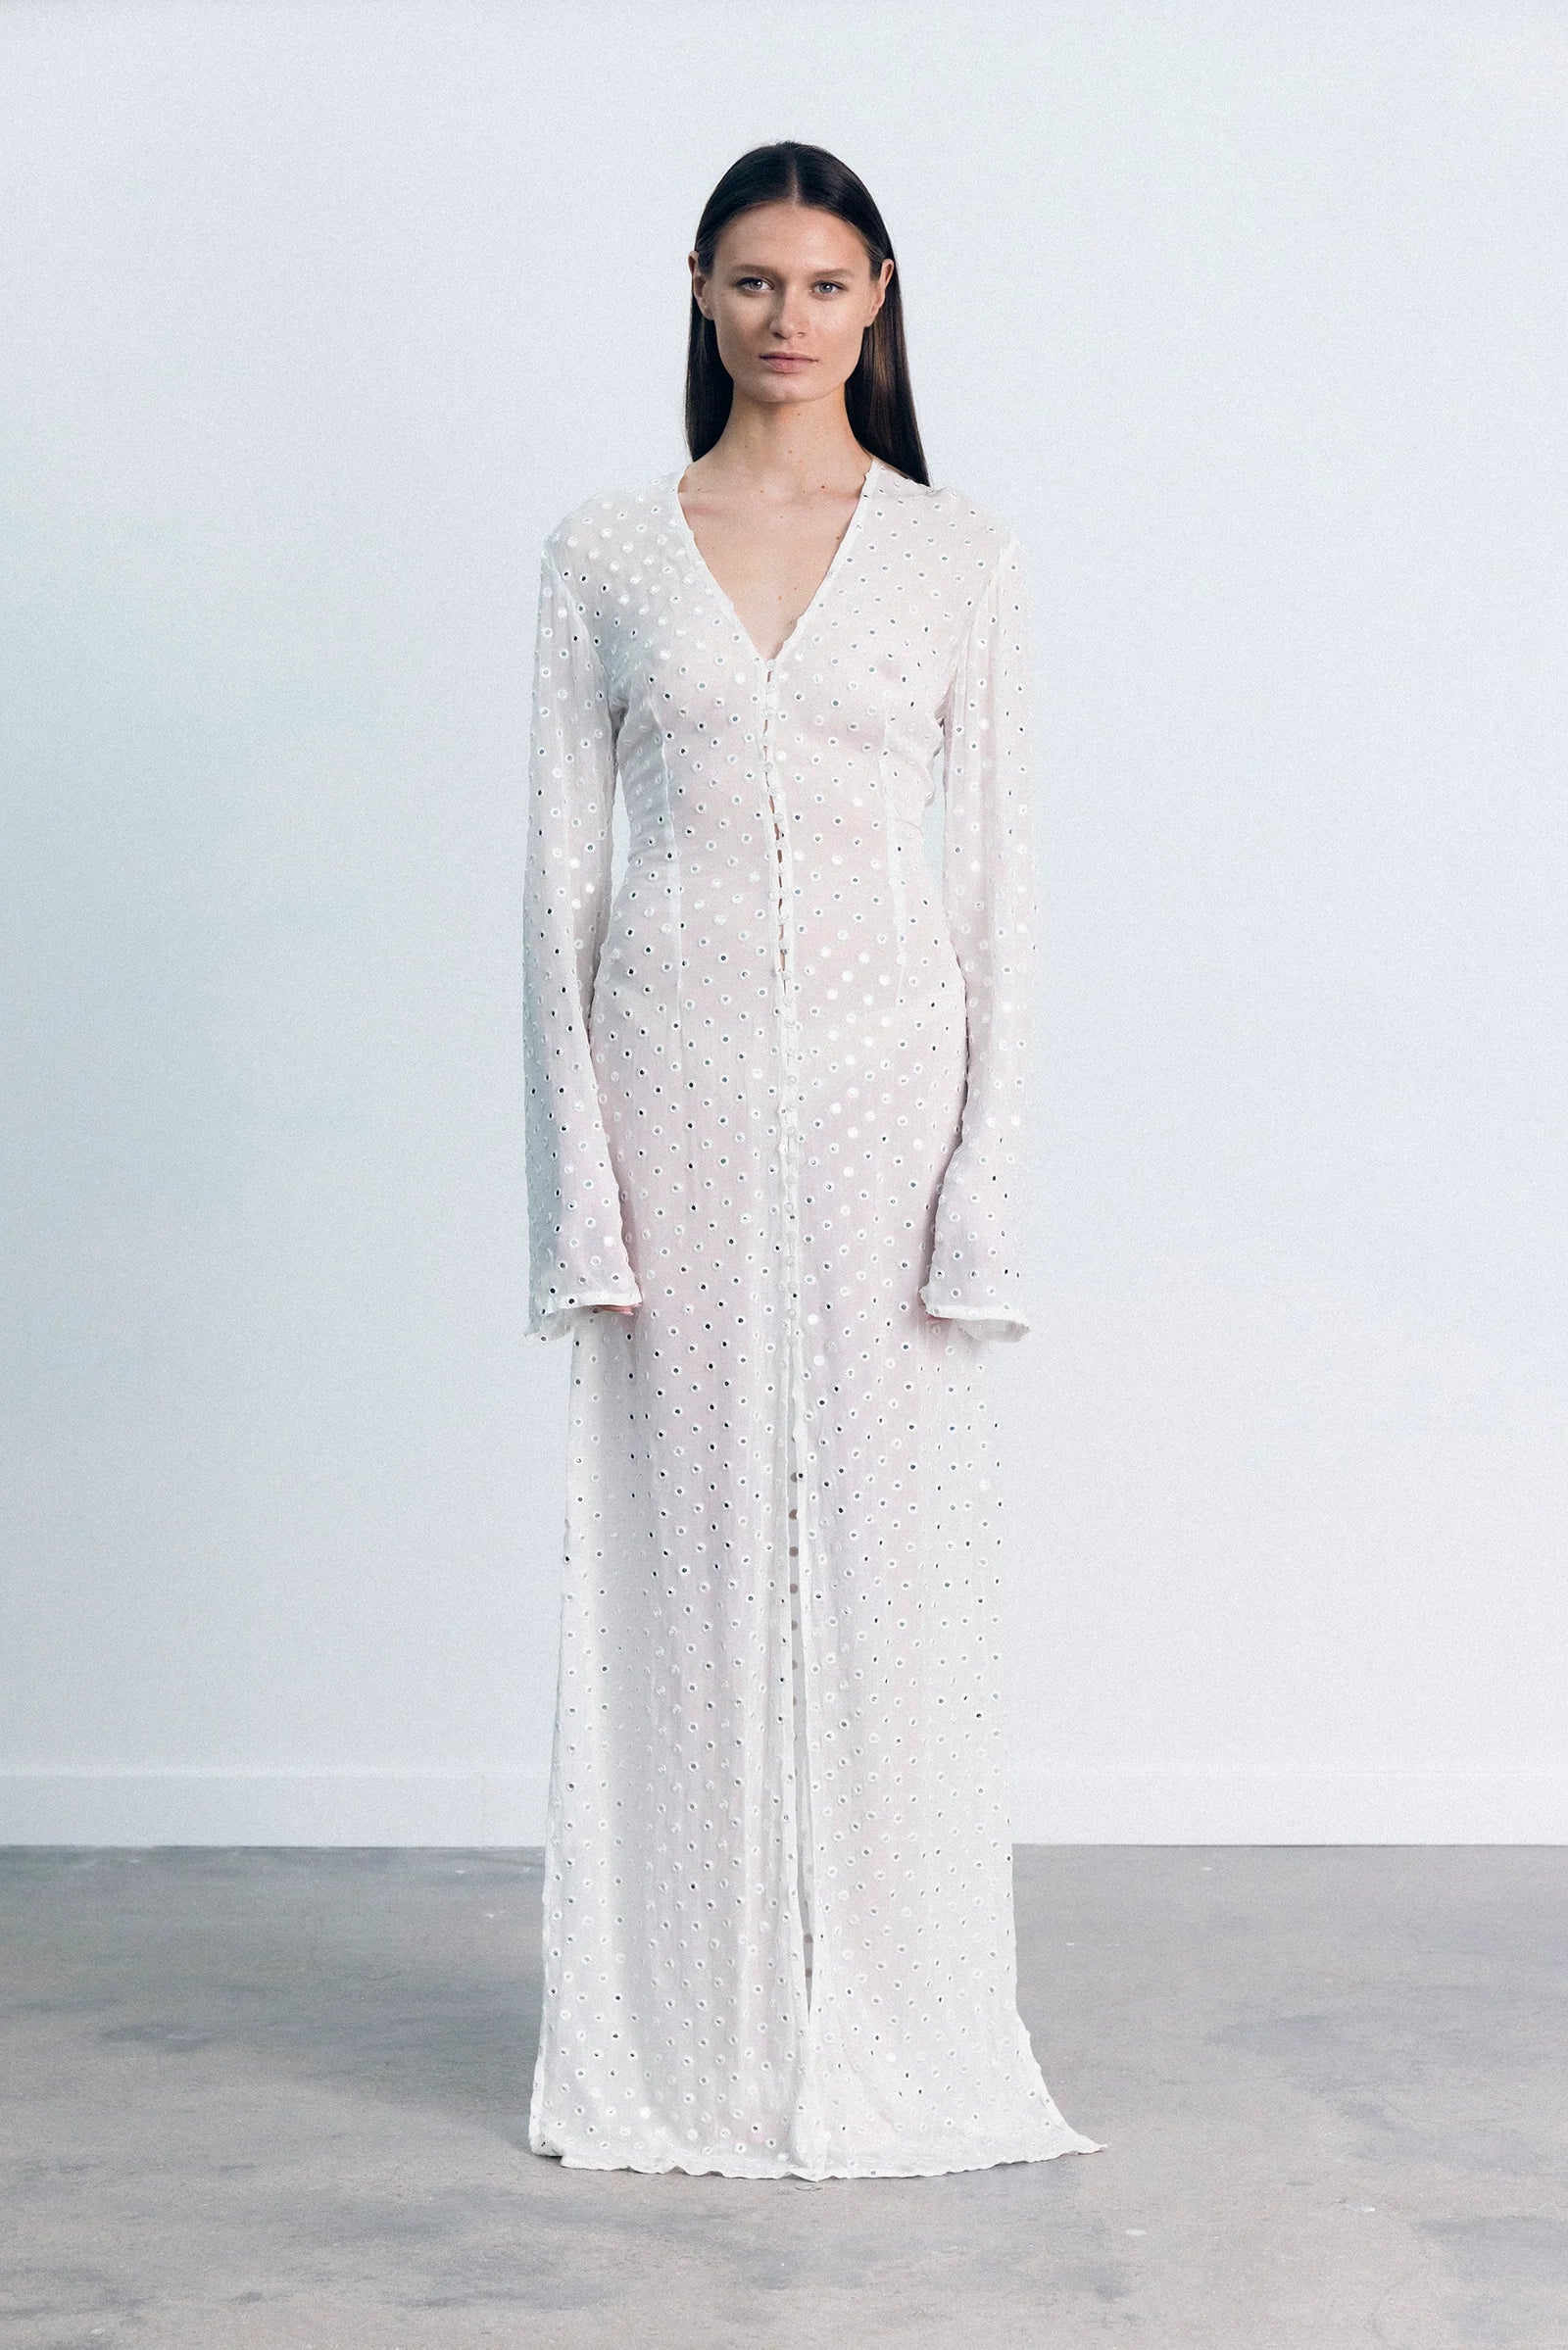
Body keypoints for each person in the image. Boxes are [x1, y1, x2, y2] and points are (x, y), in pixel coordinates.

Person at [521, 138, 1105, 2180]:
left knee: (891, 1577)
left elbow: (1000, 894)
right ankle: (692, 2037)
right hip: (668, 1090)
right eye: (755, 279)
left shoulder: (956, 559)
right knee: (681, 1570)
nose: (789, 317)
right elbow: (558, 891)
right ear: (699, 289)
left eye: (827, 282)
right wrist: (575, 1189)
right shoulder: (605, 553)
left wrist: (984, 1183)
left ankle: (894, 2020)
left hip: (884, 1099)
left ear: (878, 302)